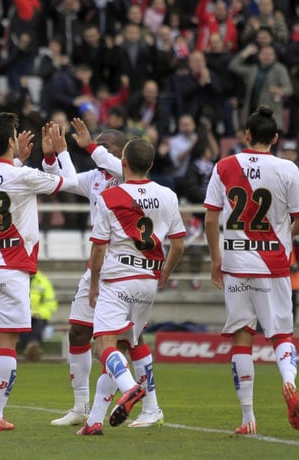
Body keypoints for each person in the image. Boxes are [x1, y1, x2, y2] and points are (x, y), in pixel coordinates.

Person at [50, 118, 165, 428]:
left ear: (121, 154)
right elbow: (66, 180)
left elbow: (111, 162)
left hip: (124, 269)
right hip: (99, 268)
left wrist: (90, 146)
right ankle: (81, 407)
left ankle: (145, 405)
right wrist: (56, 156)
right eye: (97, 146)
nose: (98, 152)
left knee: (124, 340)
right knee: (78, 330)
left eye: (105, 147)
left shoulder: (130, 182)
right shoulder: (98, 177)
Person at [204, 105, 299, 435]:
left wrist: (215, 258)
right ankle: (288, 382)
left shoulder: (224, 166)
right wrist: (283, 237)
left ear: (246, 136)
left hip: (235, 263)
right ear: (275, 138)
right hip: (274, 264)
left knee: (242, 336)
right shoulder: (288, 169)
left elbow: (210, 217)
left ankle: (248, 417)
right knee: (281, 335)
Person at [0, 113, 78, 432]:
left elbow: (3, 177)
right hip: (11, 266)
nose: (19, 138)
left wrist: (19, 161)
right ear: (9, 142)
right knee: (8, 342)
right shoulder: (24, 176)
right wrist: (58, 154)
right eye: (16, 134)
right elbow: (69, 182)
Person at [77, 137, 185, 435]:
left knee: (104, 347)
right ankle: (94, 420)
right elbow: (178, 244)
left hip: (117, 279)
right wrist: (165, 272)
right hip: (148, 281)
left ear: (122, 163)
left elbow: (98, 248)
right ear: (150, 164)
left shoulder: (111, 196)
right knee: (127, 345)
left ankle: (130, 388)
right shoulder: (168, 195)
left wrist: (94, 283)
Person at [19, 269, 58, 362]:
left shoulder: (43, 281)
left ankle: (29, 347)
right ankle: (33, 346)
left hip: (36, 317)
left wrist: (40, 313)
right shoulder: (15, 278)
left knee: (36, 323)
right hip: (21, 316)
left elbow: (50, 303)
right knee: (23, 324)